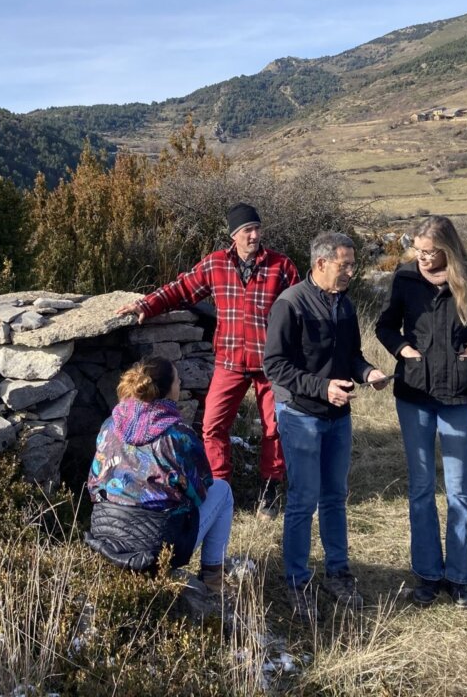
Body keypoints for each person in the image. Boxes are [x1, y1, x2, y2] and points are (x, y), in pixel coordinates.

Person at [117, 203, 299, 520]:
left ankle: (268, 494)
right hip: (229, 360)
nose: (254, 235)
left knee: (276, 428)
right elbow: (182, 288)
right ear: (234, 235)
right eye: (247, 230)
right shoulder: (216, 265)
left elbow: (301, 305)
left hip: (272, 363)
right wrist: (147, 304)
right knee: (213, 426)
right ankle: (220, 490)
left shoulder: (281, 267)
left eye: (257, 228)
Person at [375, 215, 467, 608]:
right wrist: (402, 350)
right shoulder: (404, 279)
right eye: (417, 249)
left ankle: (461, 576)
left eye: (430, 252)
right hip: (413, 392)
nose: (423, 258)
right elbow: (385, 326)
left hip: (460, 395)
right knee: (419, 488)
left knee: (459, 489)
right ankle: (427, 574)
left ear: (448, 248)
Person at [263, 231, 386, 621]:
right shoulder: (290, 303)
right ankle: (297, 582)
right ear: (320, 264)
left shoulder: (344, 305)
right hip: (300, 414)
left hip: (338, 416)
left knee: (335, 497)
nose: (350, 271)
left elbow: (351, 355)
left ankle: (338, 574)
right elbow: (275, 365)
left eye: (352, 264)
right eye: (344, 264)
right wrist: (322, 387)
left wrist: (368, 372)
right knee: (303, 500)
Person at [85, 357, 234, 593]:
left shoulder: (109, 424)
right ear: (166, 390)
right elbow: (199, 493)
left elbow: (94, 483)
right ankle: (212, 578)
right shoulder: (178, 436)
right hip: (155, 548)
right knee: (222, 490)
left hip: (105, 534)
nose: (181, 382)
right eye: (177, 380)